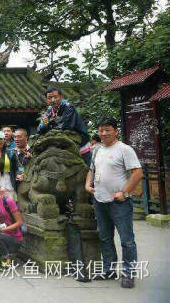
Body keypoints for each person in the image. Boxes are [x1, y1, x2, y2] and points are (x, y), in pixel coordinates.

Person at [85, 117, 142, 288]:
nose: (103, 133)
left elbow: (137, 173)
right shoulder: (97, 150)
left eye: (107, 130)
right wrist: (87, 185)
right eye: (101, 130)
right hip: (99, 200)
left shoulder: (124, 149)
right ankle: (108, 270)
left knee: (127, 240)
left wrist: (124, 192)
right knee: (105, 238)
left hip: (119, 202)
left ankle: (129, 274)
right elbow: (91, 169)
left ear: (116, 131)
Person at [38, 86, 92, 164]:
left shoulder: (68, 107)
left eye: (55, 97)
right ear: (47, 99)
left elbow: (65, 127)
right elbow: (40, 129)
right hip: (61, 143)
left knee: (86, 167)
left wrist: (49, 126)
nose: (53, 100)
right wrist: (45, 125)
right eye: (49, 98)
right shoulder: (49, 110)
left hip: (79, 141)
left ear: (61, 97)